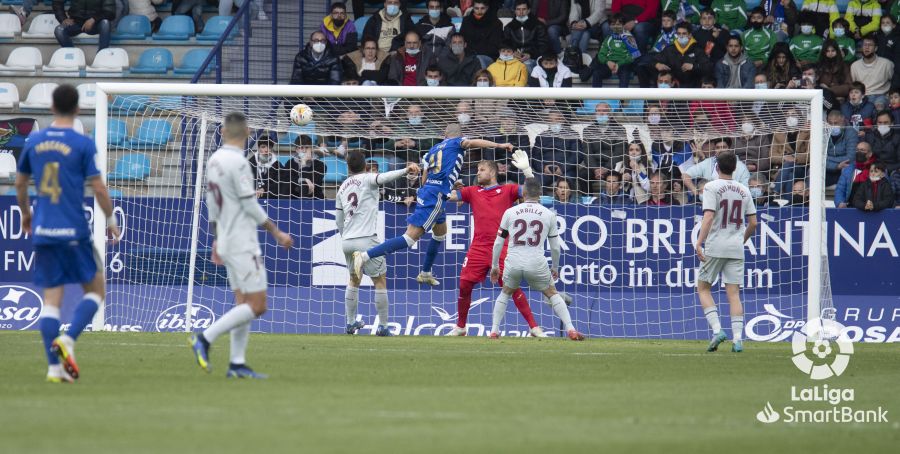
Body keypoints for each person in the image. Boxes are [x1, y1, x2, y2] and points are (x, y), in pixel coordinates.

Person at [14, 85, 119, 383]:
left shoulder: (34, 141)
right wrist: (110, 218)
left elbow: (21, 184)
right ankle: (69, 338)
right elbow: (98, 187)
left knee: (51, 301)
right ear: (77, 109)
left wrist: (25, 213)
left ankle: (53, 369)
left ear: (51, 107)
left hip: (44, 230)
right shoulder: (82, 143)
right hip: (73, 230)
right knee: (97, 291)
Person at [190, 112, 294, 379]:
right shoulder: (238, 163)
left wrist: (215, 237)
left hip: (224, 237)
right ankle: (205, 337)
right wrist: (277, 232)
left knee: (243, 303)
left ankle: (237, 363)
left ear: (223, 132)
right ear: (248, 132)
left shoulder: (214, 161)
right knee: (258, 305)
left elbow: (211, 205)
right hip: (241, 240)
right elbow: (249, 204)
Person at [352, 124, 515, 286]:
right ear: (460, 136)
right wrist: (499, 145)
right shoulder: (457, 142)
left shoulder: (434, 149)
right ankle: (364, 256)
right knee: (409, 238)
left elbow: (425, 176)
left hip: (430, 191)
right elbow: (473, 143)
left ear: (444, 134)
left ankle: (425, 273)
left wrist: (447, 185)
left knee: (440, 233)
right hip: (435, 195)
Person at [444, 157, 545, 337]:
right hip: (478, 247)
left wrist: (527, 171)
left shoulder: (508, 190)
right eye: (477, 169)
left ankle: (533, 326)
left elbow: (534, 192)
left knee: (511, 286)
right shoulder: (472, 191)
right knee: (464, 285)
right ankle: (460, 327)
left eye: (481, 169)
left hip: (502, 247)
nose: (477, 172)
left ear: (492, 172)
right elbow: (450, 196)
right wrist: (439, 185)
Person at [488, 178, 584, 340]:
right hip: (536, 262)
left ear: (523, 193)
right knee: (552, 293)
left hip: (514, 261)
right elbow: (555, 247)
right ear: (540, 193)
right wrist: (555, 267)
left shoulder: (510, 212)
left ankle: (494, 331)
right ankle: (571, 329)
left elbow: (498, 242)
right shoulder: (548, 214)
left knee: (505, 292)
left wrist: (495, 265)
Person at [337, 151, 420, 337]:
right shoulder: (367, 178)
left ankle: (350, 323)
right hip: (366, 238)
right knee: (379, 280)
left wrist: (346, 237)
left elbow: (338, 220)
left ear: (348, 167)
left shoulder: (342, 187)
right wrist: (406, 169)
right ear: (365, 166)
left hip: (347, 240)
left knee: (353, 279)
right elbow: (384, 177)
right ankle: (382, 326)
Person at [695, 151, 757, 354]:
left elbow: (708, 217)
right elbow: (753, 222)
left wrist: (699, 242)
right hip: (736, 247)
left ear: (716, 167)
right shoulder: (744, 190)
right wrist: (741, 239)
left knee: (703, 288)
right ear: (735, 168)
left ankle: (717, 330)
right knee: (734, 294)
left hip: (715, 245)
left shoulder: (711, 187)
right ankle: (738, 340)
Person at [682, 137, 751, 198]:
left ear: (729, 149)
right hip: (708, 202)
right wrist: (696, 193)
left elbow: (746, 191)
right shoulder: (708, 163)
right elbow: (685, 175)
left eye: (724, 147)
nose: (721, 150)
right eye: (718, 147)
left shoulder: (741, 167)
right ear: (714, 149)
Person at [586, 12, 639, 88]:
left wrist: (619, 64)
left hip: (623, 64)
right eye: (613, 24)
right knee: (597, 73)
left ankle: (622, 99)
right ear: (610, 26)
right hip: (609, 64)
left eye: (618, 24)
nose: (616, 27)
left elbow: (634, 55)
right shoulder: (608, 38)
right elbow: (601, 55)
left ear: (623, 25)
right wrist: (607, 62)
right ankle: (596, 98)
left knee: (625, 73)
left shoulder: (629, 37)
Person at [652, 21, 710, 88]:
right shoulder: (669, 49)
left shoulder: (697, 50)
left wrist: (693, 66)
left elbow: (708, 67)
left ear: (690, 35)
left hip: (693, 89)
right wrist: (657, 64)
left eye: (684, 33)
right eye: (679, 33)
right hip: (673, 88)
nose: (681, 36)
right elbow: (653, 61)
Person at [504, 0, 550, 74]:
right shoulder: (509, 27)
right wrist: (512, 52)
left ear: (528, 10)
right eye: (518, 9)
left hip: (533, 58)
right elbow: (505, 43)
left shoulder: (538, 25)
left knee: (526, 66)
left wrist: (530, 54)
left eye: (524, 9)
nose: (521, 12)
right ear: (515, 11)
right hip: (513, 57)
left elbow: (543, 45)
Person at [459, 0, 504, 68]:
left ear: (487, 8)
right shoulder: (466, 21)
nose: (479, 12)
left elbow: (494, 47)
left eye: (482, 8)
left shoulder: (496, 23)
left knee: (478, 61)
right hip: (468, 56)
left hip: (488, 57)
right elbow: (461, 40)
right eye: (476, 8)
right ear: (473, 8)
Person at [851, 35, 894, 100]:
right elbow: (855, 86)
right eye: (865, 45)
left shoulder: (886, 64)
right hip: (862, 97)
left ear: (876, 48)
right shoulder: (854, 66)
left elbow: (894, 82)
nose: (867, 47)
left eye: (870, 45)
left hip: (881, 96)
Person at [834, 141, 875, 207]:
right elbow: (840, 190)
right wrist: (840, 202)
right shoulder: (848, 170)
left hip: (872, 209)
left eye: (862, 150)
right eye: (857, 150)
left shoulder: (878, 170)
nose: (859, 152)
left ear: (870, 154)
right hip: (851, 208)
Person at [247, 134, 284, 199]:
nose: (266, 150)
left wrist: (264, 189)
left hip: (271, 198)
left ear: (272, 149)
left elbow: (279, 184)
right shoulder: (250, 163)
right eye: (263, 147)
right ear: (258, 148)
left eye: (269, 147)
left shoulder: (277, 165)